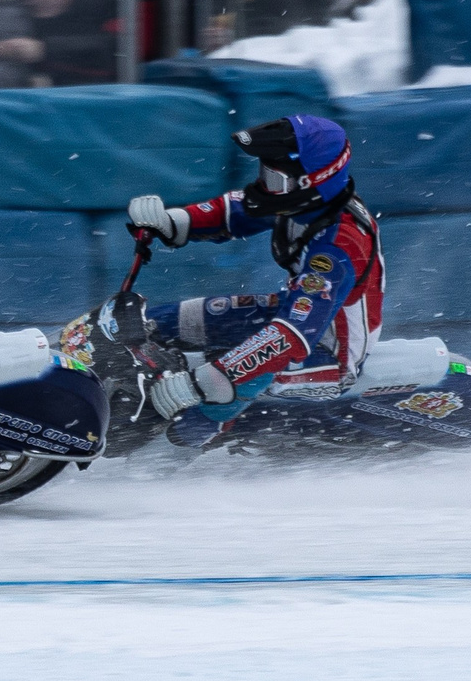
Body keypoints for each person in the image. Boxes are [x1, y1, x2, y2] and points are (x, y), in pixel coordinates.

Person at [123, 114, 385, 448]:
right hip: (295, 315)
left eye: (273, 178)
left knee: (221, 380)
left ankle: (177, 452)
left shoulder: (339, 247)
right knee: (160, 323)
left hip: (328, 353)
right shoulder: (303, 204)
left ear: (312, 181)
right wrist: (171, 221)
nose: (264, 185)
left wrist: (200, 383)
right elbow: (233, 210)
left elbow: (289, 338)